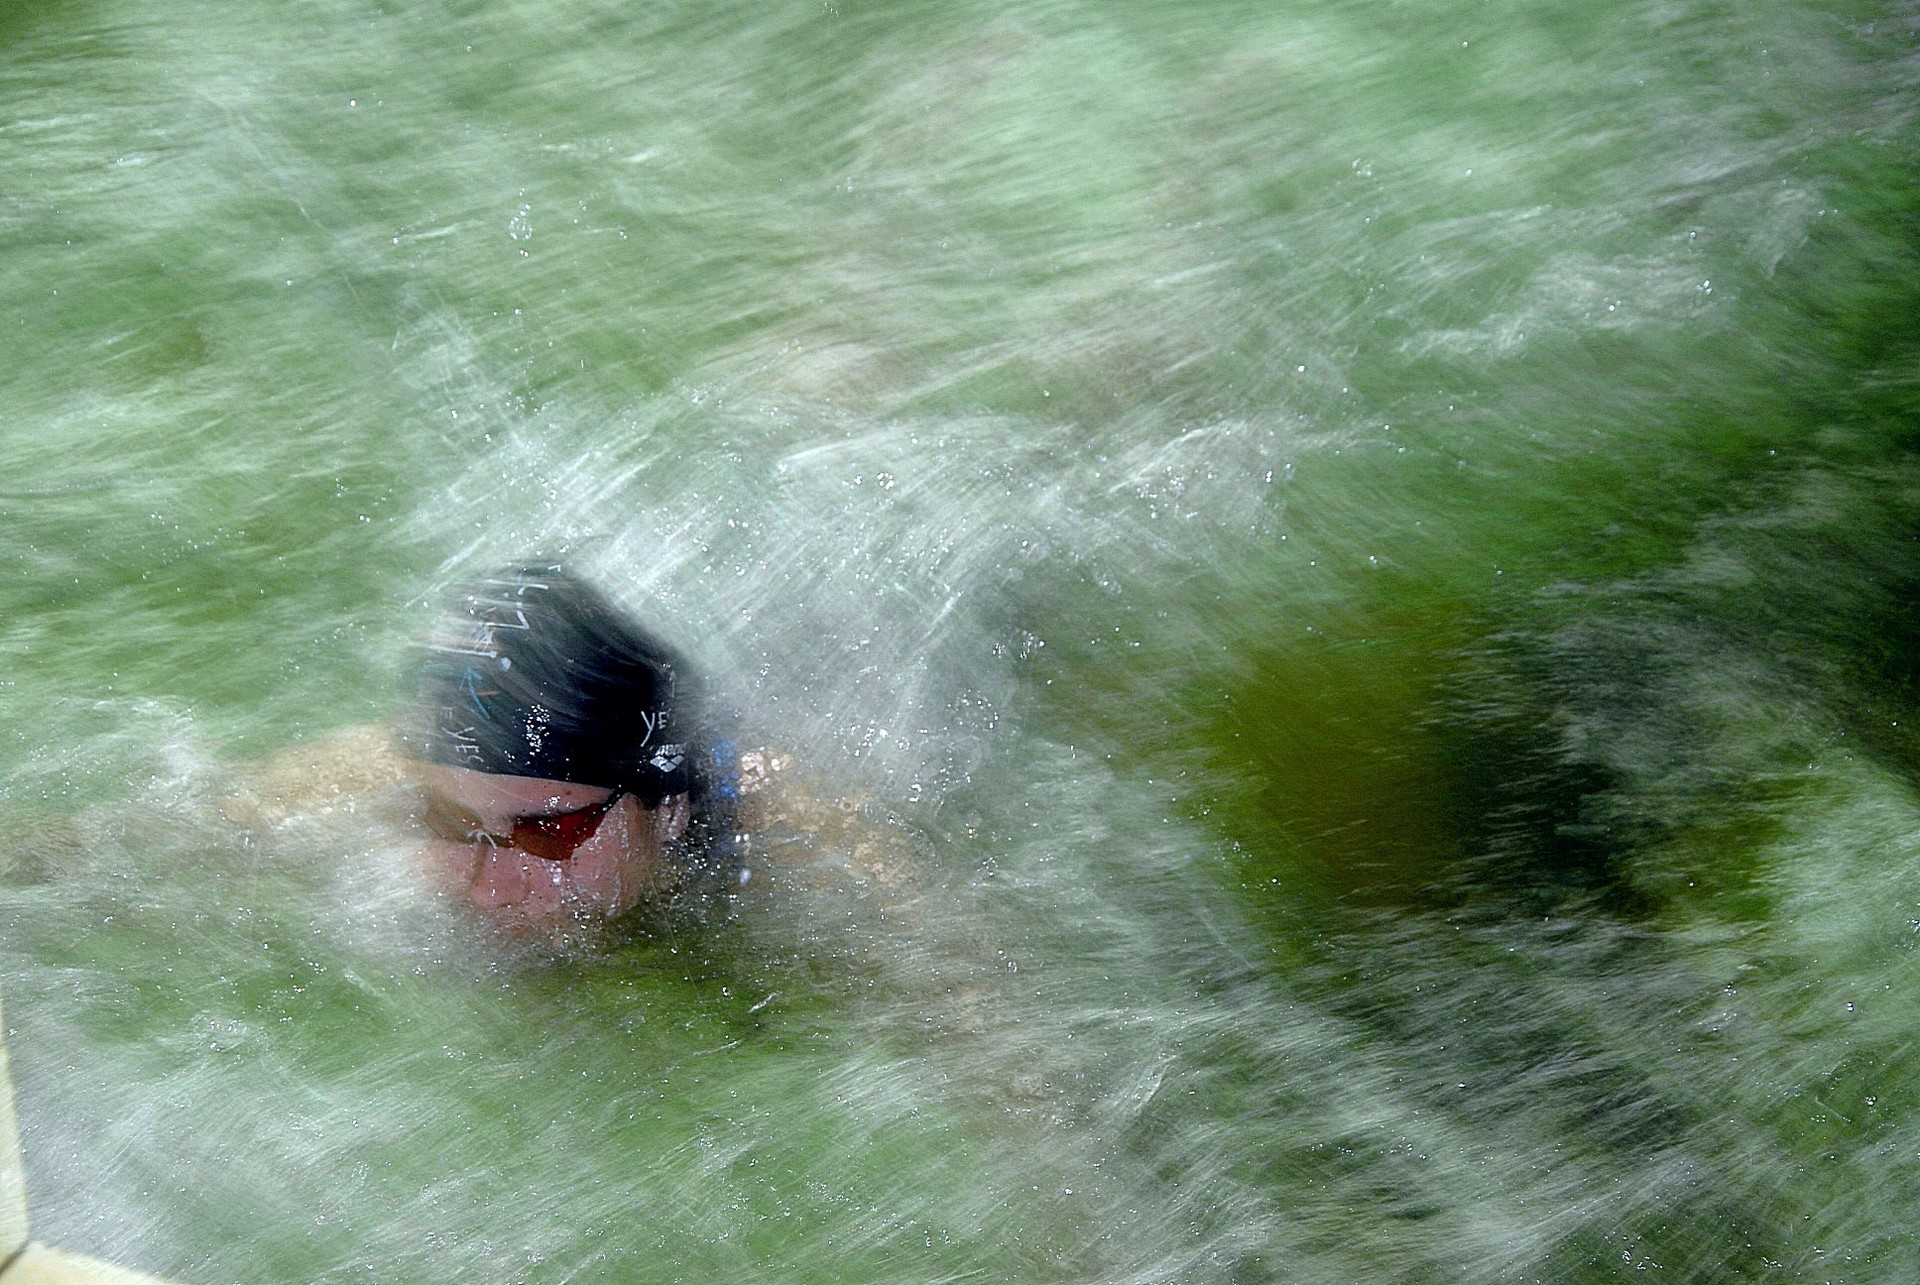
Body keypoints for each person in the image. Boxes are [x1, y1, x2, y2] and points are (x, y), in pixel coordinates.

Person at [404, 565, 742, 932]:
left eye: (548, 832)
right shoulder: (359, 787)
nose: (489, 890)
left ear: (668, 810)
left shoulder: (790, 846)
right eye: (452, 821)